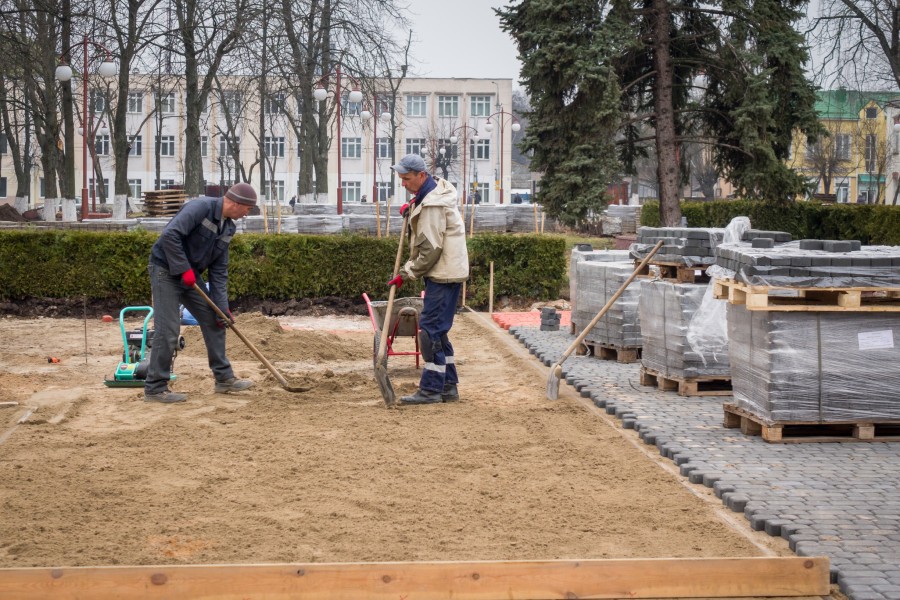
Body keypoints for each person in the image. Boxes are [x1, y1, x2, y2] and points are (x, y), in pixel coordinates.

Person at [143, 183, 258, 403]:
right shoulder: (200, 208)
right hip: (166, 270)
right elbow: (170, 236)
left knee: (216, 320)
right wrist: (182, 268)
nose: (247, 214)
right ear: (235, 203)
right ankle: (155, 388)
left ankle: (224, 379)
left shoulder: (228, 228)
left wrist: (222, 308)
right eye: (247, 209)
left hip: (190, 276)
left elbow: (219, 271)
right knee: (168, 330)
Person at [387, 154, 469, 405]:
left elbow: (430, 249)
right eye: (400, 179)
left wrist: (406, 273)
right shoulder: (431, 196)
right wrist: (412, 207)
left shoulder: (433, 206)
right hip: (447, 272)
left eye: (407, 179)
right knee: (439, 333)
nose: (403, 184)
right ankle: (448, 387)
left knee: (430, 332)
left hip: (442, 274)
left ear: (421, 176)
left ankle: (431, 390)